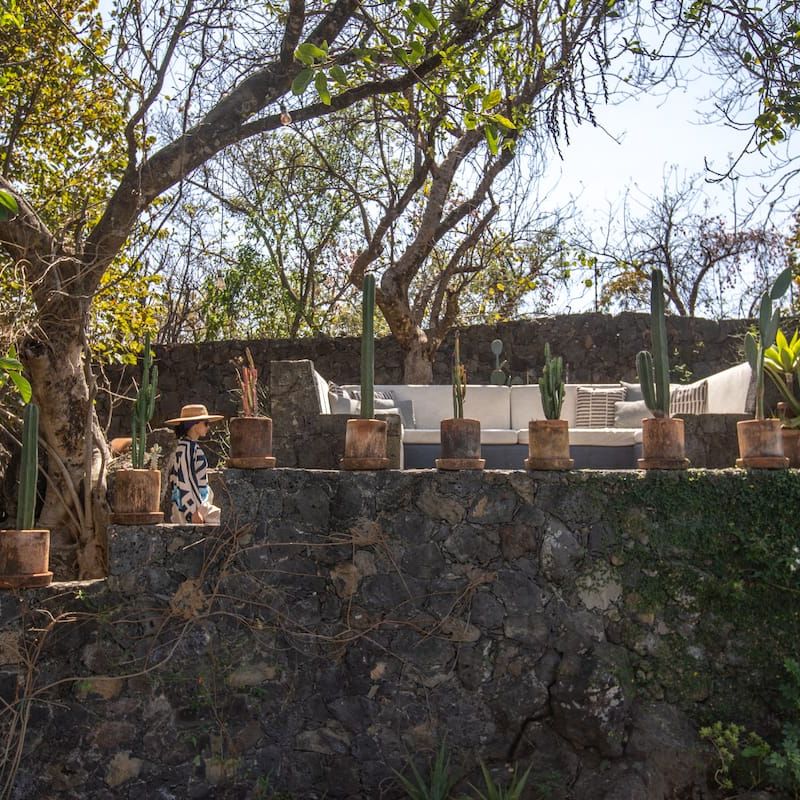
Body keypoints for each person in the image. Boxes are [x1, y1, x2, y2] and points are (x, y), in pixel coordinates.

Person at [164, 404, 224, 525]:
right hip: (192, 507)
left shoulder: (187, 446)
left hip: (195, 505)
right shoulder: (187, 448)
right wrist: (194, 511)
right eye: (206, 423)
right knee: (228, 520)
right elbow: (186, 479)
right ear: (195, 424)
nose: (208, 427)